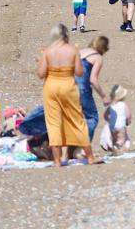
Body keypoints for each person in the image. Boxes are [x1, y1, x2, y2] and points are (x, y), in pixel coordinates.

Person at [37, 24, 102, 166]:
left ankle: (57, 160)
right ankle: (90, 157)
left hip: (51, 86)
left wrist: (41, 62)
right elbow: (79, 72)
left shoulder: (47, 52)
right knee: (77, 120)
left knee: (53, 123)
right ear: (66, 35)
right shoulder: (72, 51)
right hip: (68, 85)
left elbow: (41, 74)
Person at [76, 36, 109, 144]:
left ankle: (69, 147)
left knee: (73, 118)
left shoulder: (78, 52)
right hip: (82, 90)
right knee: (91, 117)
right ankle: (83, 146)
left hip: (68, 88)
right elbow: (93, 80)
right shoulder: (97, 57)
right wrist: (104, 96)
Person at [101, 85, 131, 153]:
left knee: (114, 138)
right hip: (121, 126)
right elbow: (128, 115)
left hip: (112, 125)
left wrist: (109, 120)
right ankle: (118, 148)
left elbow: (105, 115)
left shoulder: (111, 105)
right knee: (121, 139)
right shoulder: (123, 104)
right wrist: (128, 122)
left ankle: (114, 147)